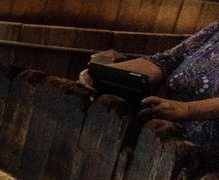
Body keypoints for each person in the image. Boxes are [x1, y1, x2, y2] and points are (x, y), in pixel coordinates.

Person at [79, 21, 219, 150]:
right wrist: (100, 72)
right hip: (166, 133)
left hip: (203, 149)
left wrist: (185, 109)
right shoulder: (215, 29)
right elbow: (164, 61)